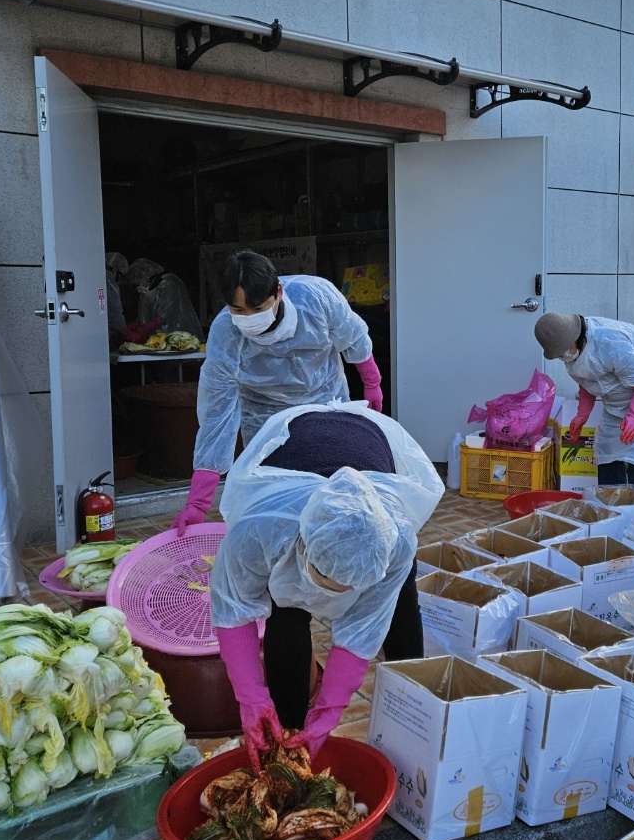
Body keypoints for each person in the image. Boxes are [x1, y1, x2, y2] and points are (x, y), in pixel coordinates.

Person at [210, 401, 443, 768]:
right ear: (302, 546)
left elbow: (362, 632)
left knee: (399, 606)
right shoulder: (260, 530)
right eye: (322, 582)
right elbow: (234, 610)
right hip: (295, 444)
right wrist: (252, 701)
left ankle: (414, 712)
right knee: (285, 611)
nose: (329, 601)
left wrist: (328, 714)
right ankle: (286, 733)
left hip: (368, 443)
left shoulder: (393, 540)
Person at [174, 251, 384, 535]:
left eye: (258, 308)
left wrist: (371, 381)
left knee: (331, 487)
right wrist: (197, 503)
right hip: (263, 416)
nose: (249, 318)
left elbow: (353, 336)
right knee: (274, 497)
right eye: (238, 310)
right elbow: (217, 417)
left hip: (324, 402)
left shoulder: (316, 298)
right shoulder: (225, 334)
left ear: (279, 292)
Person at [533, 313, 634, 494]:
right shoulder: (573, 352)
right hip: (619, 401)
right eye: (559, 354)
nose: (563, 356)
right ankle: (610, 505)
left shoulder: (609, 340)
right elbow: (587, 381)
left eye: (564, 350)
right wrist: (582, 415)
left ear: (575, 337)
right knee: (606, 449)